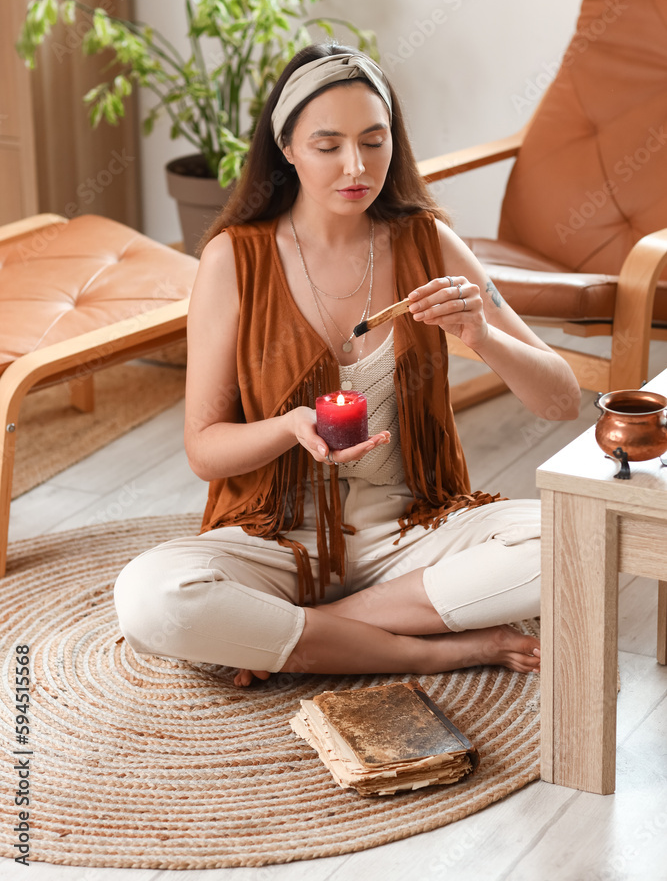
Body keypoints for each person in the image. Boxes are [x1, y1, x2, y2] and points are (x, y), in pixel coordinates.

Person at [114, 44, 581, 688]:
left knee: (577, 539)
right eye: (327, 145)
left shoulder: (429, 242)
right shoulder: (235, 259)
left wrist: (483, 335)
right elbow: (205, 450)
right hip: (275, 540)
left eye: (373, 140)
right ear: (287, 148)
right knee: (150, 597)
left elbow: (561, 399)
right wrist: (289, 426)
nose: (356, 167)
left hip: (416, 531)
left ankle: (306, 629)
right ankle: (428, 650)